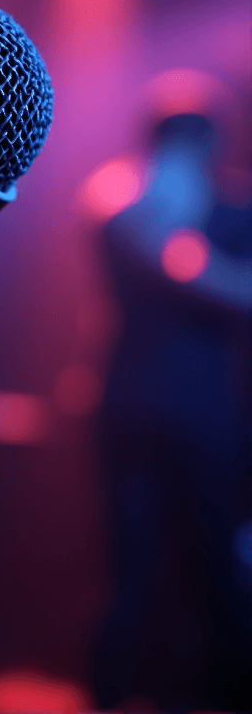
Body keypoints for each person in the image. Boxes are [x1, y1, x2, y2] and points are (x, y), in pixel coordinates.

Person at [92, 111, 252, 712]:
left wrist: (186, 247)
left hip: (203, 417)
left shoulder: (235, 213)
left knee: (216, 569)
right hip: (137, 411)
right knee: (127, 574)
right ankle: (107, 697)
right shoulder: (121, 206)